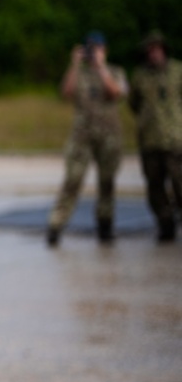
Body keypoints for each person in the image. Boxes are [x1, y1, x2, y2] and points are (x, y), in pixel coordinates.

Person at [46, 32, 128, 246]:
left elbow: (115, 92)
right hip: (81, 136)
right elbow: (66, 92)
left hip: (109, 136)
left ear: (105, 50)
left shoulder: (115, 71)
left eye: (98, 48)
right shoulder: (79, 74)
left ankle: (105, 225)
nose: (94, 53)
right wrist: (74, 64)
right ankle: (56, 225)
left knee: (107, 182)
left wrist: (101, 67)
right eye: (90, 49)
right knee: (72, 180)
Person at [129, 30, 182, 242]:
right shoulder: (140, 76)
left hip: (175, 139)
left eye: (157, 49)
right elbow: (134, 104)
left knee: (180, 184)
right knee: (155, 187)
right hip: (150, 141)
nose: (154, 54)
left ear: (164, 50)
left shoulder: (178, 71)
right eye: (150, 50)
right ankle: (165, 224)